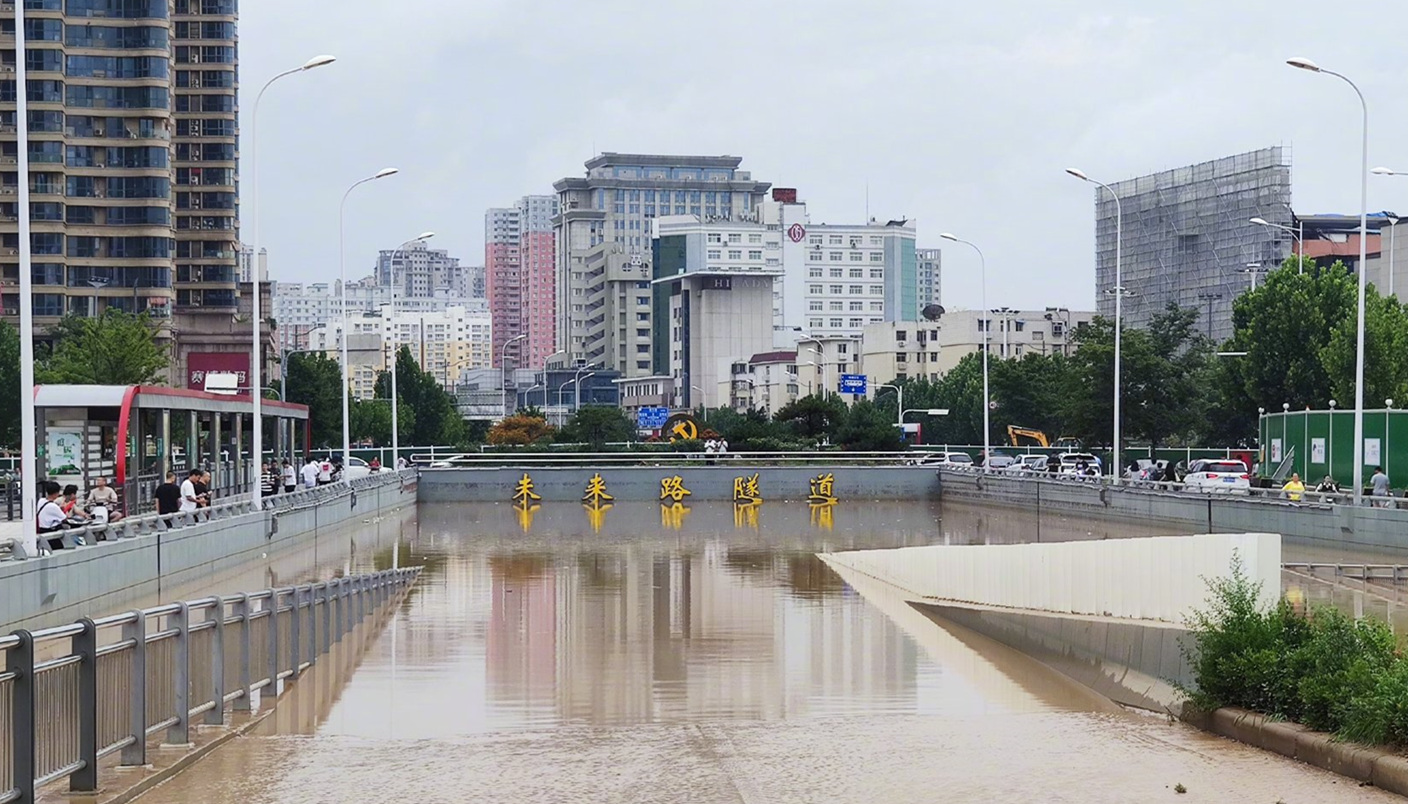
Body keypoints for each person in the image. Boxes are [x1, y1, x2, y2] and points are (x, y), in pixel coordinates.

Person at [36, 480, 68, 551]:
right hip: (50, 532)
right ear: (56, 493)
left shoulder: (41, 501)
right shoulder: (53, 506)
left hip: (41, 530)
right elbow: (64, 518)